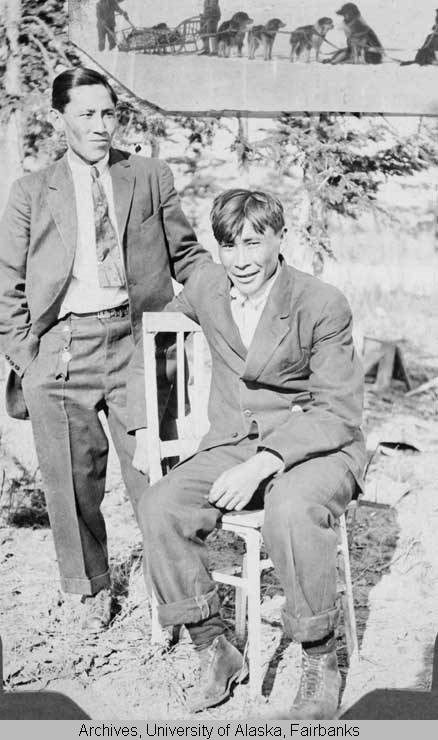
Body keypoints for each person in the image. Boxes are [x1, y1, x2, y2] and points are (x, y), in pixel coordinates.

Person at [129, 189, 367, 718]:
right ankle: (214, 645)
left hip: (316, 447)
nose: (240, 261)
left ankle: (319, 655)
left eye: (254, 243)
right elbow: (156, 342)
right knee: (159, 505)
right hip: (234, 443)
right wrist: (144, 424)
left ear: (280, 239)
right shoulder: (208, 285)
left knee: (291, 509)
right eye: (229, 246)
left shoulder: (321, 302)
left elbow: (339, 411)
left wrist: (266, 461)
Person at [0, 67, 210, 632]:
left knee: (158, 478)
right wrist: (29, 360)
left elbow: (186, 256)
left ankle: (170, 599)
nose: (100, 125)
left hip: (139, 344)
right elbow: (8, 284)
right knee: (71, 484)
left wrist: (229, 294)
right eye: (87, 113)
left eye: (108, 113)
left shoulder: (147, 176)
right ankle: (89, 594)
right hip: (62, 351)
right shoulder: (30, 191)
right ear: (59, 117)